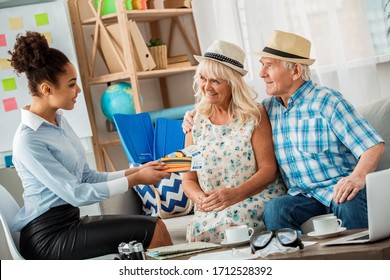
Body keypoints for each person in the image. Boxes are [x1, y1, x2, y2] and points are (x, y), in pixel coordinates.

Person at [183, 30, 385, 232]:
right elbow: (230, 112)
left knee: (346, 201)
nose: (262, 74)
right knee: (275, 209)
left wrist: (356, 177)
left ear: (296, 71)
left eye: (269, 66)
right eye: (262, 65)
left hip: (339, 189)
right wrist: (195, 114)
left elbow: (372, 146)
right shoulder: (269, 108)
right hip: (303, 197)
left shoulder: (327, 101)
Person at [9, 31, 172, 260]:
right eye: (72, 84)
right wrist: (135, 179)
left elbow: (86, 176)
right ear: (47, 89)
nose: (78, 91)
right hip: (48, 237)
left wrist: (137, 170)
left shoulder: (59, 122)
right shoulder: (29, 140)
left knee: (158, 227)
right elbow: (76, 194)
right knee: (152, 230)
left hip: (69, 223)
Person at [182, 40, 286, 243]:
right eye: (203, 78)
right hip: (212, 207)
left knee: (230, 225)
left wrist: (234, 195)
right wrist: (200, 199)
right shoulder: (195, 121)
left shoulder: (253, 115)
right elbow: (189, 180)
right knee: (200, 232)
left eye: (216, 81)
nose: (207, 87)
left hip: (251, 198)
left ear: (232, 83)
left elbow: (268, 169)